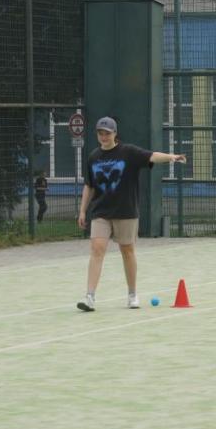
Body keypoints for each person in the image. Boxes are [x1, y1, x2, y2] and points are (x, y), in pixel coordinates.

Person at [77, 116, 185, 311]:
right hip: (101, 211)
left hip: (126, 210)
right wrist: (83, 210)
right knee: (97, 248)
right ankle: (89, 297)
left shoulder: (128, 152)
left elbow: (151, 156)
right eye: (100, 133)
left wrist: (170, 157)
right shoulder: (93, 156)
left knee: (127, 251)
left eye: (107, 133)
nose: (103, 137)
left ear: (115, 134)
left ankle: (132, 294)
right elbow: (89, 186)